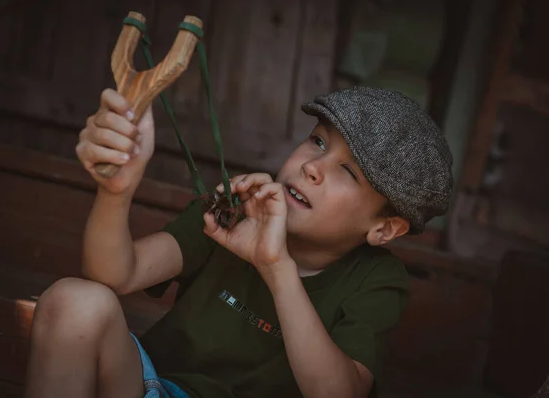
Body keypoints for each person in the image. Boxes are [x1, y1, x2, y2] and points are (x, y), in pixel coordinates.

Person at [24, 86, 453, 398]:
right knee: (74, 301)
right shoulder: (238, 209)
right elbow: (114, 273)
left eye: (349, 172)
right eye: (318, 141)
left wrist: (275, 265)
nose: (313, 167)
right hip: (153, 388)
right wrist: (116, 192)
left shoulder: (377, 279)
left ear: (384, 229)